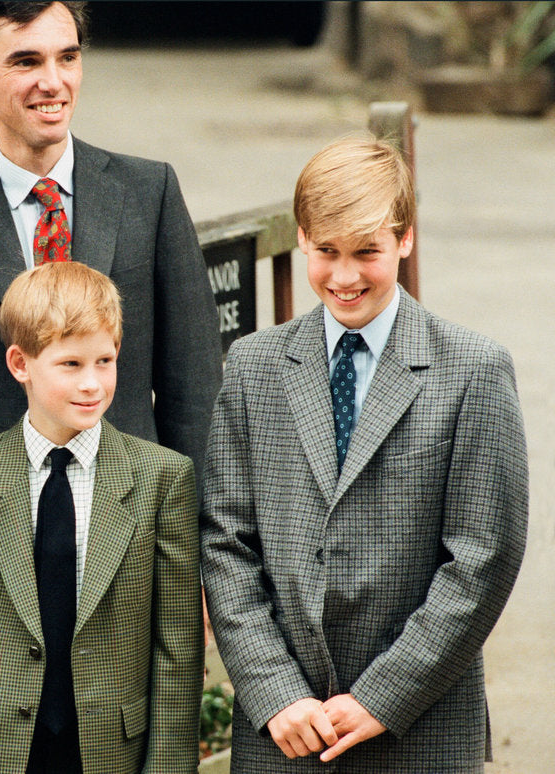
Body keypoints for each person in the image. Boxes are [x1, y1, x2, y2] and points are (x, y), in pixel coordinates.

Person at [0, 1, 220, 743]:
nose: (52, 81)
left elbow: (195, 395)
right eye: (25, 61)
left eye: (66, 57)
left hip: (128, 548)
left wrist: (199, 565)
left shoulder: (149, 193)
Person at [200, 135, 529, 772]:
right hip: (286, 732)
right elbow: (224, 539)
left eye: (367, 252)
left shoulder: (474, 370)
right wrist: (274, 691)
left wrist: (384, 695)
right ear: (300, 237)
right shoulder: (252, 366)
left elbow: (484, 556)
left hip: (420, 726)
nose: (345, 276)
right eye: (326, 252)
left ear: (405, 238)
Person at [0, 261, 203, 774]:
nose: (92, 383)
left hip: (113, 751)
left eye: (105, 361)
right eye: (71, 364)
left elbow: (176, 656)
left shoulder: (162, 478)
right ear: (20, 363)